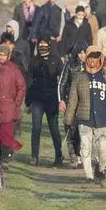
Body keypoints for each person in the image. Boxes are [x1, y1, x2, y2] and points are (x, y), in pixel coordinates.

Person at [64, 47, 106, 186]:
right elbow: (73, 99)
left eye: (96, 58)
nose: (92, 61)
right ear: (86, 58)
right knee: (85, 147)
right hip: (85, 118)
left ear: (100, 59)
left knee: (103, 147)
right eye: (90, 57)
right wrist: (68, 119)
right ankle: (89, 176)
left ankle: (101, 170)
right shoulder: (79, 76)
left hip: (103, 117)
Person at [26, 38, 65, 167]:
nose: (42, 46)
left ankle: (58, 156)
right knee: (36, 128)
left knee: (54, 129)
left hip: (52, 99)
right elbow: (29, 81)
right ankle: (34, 156)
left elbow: (63, 79)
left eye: (45, 43)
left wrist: (62, 99)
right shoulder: (34, 61)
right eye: (40, 44)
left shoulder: (56, 59)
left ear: (49, 45)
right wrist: (28, 102)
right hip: (37, 99)